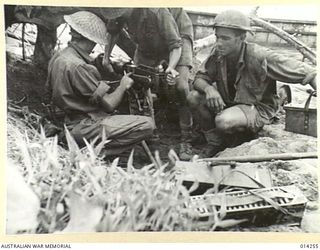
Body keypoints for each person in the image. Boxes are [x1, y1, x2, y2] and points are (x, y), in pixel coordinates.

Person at [187, 10, 317, 157]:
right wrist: (210, 89)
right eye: (217, 37)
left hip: (257, 107)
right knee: (194, 97)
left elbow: (311, 73)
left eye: (225, 38)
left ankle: (237, 140)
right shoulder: (218, 53)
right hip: (231, 103)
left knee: (223, 121)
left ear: (241, 38)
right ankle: (216, 142)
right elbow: (199, 78)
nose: (219, 43)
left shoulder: (260, 55)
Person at [46, 11, 154, 156]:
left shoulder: (60, 55)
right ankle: (95, 152)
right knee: (147, 125)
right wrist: (122, 85)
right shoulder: (79, 66)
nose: (93, 45)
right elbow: (109, 105)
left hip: (64, 121)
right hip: (80, 127)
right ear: (88, 39)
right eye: (93, 41)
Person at [102, 8, 194, 160]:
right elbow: (113, 32)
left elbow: (175, 45)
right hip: (147, 42)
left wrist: (170, 68)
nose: (118, 18)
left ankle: (187, 138)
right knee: (138, 79)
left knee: (180, 86)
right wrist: (106, 57)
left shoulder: (157, 11)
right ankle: (150, 134)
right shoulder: (118, 10)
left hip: (177, 37)